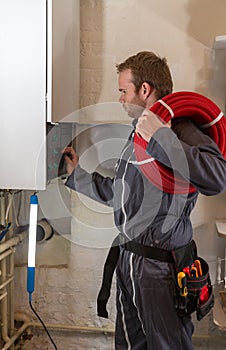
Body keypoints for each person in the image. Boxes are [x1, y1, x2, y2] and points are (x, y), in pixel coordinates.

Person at [63, 51, 226, 350]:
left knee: (167, 345)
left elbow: (217, 177)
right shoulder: (136, 136)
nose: (121, 99)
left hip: (161, 268)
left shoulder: (181, 129)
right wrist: (77, 177)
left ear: (145, 89)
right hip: (129, 258)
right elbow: (122, 195)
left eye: (124, 91)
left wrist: (162, 136)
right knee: (129, 344)